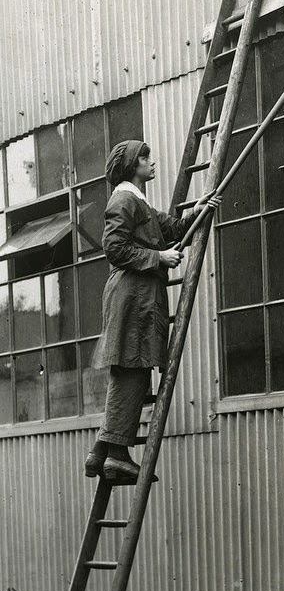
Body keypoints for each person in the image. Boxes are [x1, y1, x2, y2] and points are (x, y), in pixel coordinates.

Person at [84, 140, 220, 484]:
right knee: (134, 369)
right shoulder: (124, 199)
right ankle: (116, 455)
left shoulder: (137, 201)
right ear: (132, 166)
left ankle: (100, 452)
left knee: (131, 368)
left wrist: (199, 210)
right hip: (132, 296)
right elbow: (113, 247)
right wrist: (157, 258)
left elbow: (170, 228)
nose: (151, 161)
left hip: (138, 297)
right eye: (144, 157)